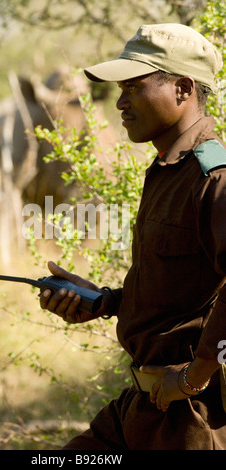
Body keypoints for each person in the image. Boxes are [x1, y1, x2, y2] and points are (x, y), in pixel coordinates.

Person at [39, 23, 226, 450]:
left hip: (189, 420)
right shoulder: (165, 173)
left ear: (182, 88)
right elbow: (181, 292)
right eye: (120, 90)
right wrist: (104, 302)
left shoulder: (214, 179)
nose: (121, 102)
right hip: (141, 408)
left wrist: (194, 377)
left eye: (134, 88)